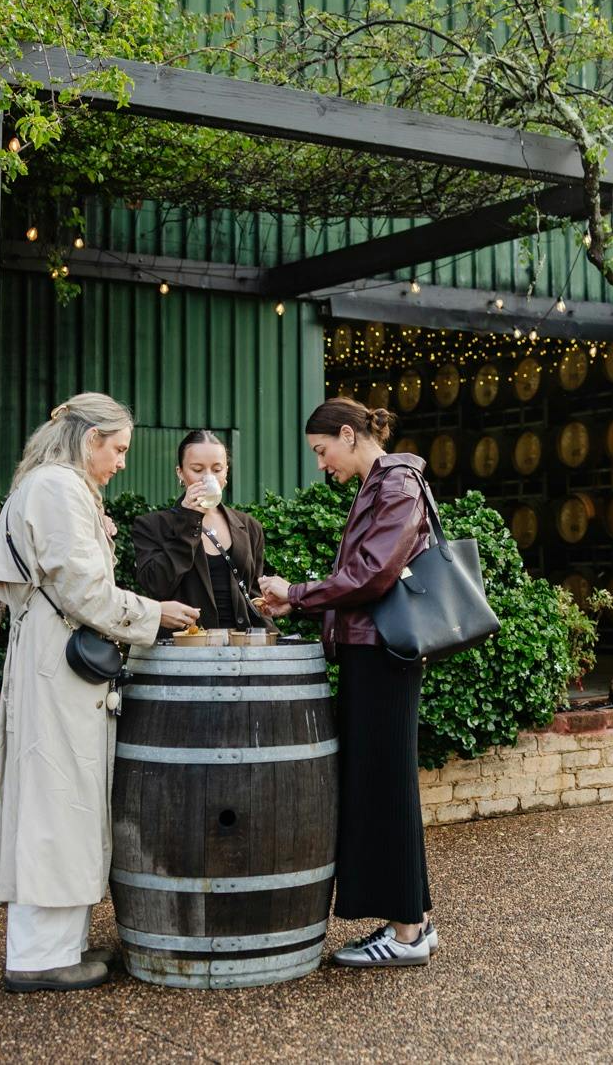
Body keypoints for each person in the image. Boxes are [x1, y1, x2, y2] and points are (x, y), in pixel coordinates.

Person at [0, 392, 201, 992]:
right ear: (88, 440)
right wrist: (156, 613)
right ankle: (38, 956)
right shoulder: (56, 488)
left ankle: (63, 940)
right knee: (56, 797)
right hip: (58, 668)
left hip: (58, 662)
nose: (122, 461)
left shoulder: (58, 487)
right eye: (119, 448)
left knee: (68, 795)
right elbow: (84, 592)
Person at [257, 397, 439, 968]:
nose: (321, 463)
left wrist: (297, 593)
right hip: (372, 651)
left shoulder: (397, 485)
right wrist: (301, 606)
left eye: (321, 450)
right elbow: (361, 579)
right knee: (379, 781)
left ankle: (408, 933)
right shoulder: (380, 486)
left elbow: (372, 574)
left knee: (387, 784)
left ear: (347, 434)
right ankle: (413, 922)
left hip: (384, 653)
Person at [131, 429, 268, 632]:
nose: (208, 478)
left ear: (226, 472)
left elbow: (254, 595)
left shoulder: (248, 526)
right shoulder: (151, 526)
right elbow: (157, 585)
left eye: (217, 469)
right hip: (186, 649)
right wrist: (189, 521)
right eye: (197, 469)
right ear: (180, 472)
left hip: (240, 650)